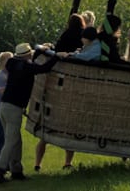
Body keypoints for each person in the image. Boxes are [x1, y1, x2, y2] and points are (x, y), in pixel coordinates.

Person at [0, 43, 59, 183]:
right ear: (27, 55)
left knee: (15, 140)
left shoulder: (12, 63)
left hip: (4, 106)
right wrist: (57, 56)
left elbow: (29, 61)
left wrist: (41, 50)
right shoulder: (26, 67)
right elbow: (45, 68)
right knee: (11, 141)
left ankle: (16, 171)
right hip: (14, 108)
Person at [34, 13, 86, 171]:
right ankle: (67, 162)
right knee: (70, 127)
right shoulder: (82, 36)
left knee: (47, 127)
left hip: (58, 80)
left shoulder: (66, 35)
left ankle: (37, 163)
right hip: (74, 81)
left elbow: (58, 48)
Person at [0, 51, 13, 167]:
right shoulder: (2, 76)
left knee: (7, 138)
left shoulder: (9, 74)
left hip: (5, 109)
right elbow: (2, 91)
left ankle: (6, 164)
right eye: (8, 60)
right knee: (1, 137)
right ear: (2, 63)